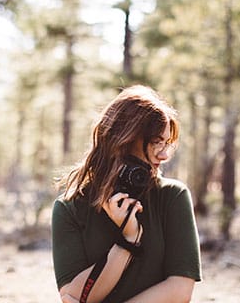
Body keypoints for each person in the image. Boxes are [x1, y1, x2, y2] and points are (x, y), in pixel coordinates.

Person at [51, 85, 202, 303]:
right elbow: (73, 296)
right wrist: (128, 241)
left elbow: (180, 290)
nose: (165, 154)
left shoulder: (173, 196)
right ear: (122, 140)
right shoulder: (70, 207)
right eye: (156, 142)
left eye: (167, 143)